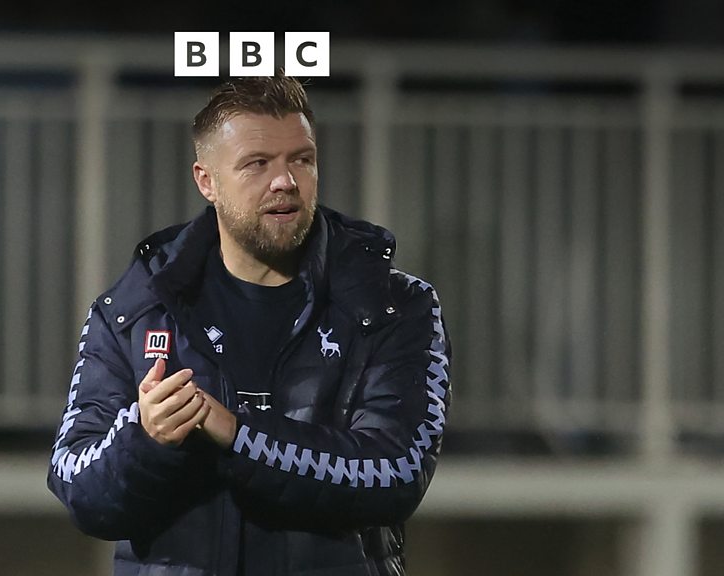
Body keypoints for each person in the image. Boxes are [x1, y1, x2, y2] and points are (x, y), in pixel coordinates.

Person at [48, 75, 451, 576]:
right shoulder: (133, 309)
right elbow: (79, 488)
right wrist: (147, 438)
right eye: (257, 163)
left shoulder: (393, 306)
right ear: (206, 181)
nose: (285, 181)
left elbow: (395, 473)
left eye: (301, 160)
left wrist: (237, 435)